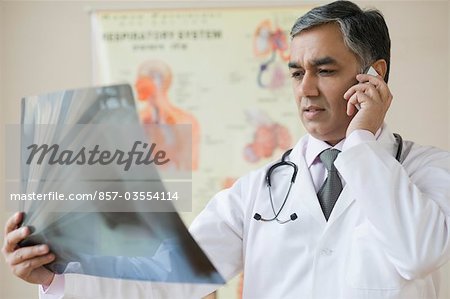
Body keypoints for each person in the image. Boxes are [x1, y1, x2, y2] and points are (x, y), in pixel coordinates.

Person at [3, 1, 450, 298]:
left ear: (374, 74)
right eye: (296, 73)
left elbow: (418, 253)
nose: (306, 90)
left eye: (325, 70)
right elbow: (169, 281)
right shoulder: (258, 190)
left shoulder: (428, 171)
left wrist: (360, 143)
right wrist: (59, 274)